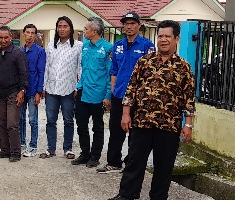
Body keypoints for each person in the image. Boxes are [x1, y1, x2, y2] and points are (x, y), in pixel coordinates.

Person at [107, 20, 195, 200]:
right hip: (142, 121)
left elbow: (189, 98)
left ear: (176, 39)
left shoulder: (183, 67)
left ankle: (158, 197)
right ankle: (127, 194)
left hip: (169, 124)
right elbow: (131, 90)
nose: (163, 40)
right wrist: (125, 114)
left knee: (164, 163)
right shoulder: (145, 62)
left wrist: (188, 125)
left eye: (167, 36)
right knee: (134, 159)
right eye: (160, 36)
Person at [97, 12, 156, 174]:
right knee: (116, 131)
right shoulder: (118, 45)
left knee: (136, 133)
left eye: (132, 23)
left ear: (139, 25)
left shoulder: (147, 46)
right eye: (126, 23)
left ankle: (131, 163)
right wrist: (112, 93)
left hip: (138, 97)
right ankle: (114, 162)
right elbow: (114, 70)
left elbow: (150, 74)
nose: (129, 26)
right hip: (119, 95)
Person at [72, 17, 112, 168]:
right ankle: (85, 154)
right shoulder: (86, 46)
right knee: (81, 124)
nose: (84, 31)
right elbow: (83, 69)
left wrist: (108, 96)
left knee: (97, 127)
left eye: (86, 29)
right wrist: (78, 87)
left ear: (94, 31)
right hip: (83, 91)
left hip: (98, 94)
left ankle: (95, 156)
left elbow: (110, 73)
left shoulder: (108, 48)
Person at [40, 16, 83, 159]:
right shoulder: (51, 46)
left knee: (68, 120)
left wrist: (78, 87)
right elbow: (46, 67)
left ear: (70, 29)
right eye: (59, 26)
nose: (62, 29)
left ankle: (68, 149)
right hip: (51, 89)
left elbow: (80, 68)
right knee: (50, 120)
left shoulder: (78, 46)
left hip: (69, 89)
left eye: (65, 26)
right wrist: (44, 86)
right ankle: (50, 148)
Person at [0, 26, 28, 162]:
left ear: (11, 37)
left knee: (12, 124)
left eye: (6, 37)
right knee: (1, 122)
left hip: (14, 93)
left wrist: (22, 91)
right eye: (1, 37)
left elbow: (24, 74)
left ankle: (15, 152)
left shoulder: (18, 53)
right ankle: (5, 150)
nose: (3, 40)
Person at [19, 24, 45, 157]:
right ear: (23, 34)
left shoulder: (40, 51)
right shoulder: (20, 51)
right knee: (20, 118)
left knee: (33, 120)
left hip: (33, 90)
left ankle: (33, 146)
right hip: (21, 91)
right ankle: (21, 144)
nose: (30, 35)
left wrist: (39, 92)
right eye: (27, 32)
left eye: (32, 33)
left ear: (35, 35)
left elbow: (41, 72)